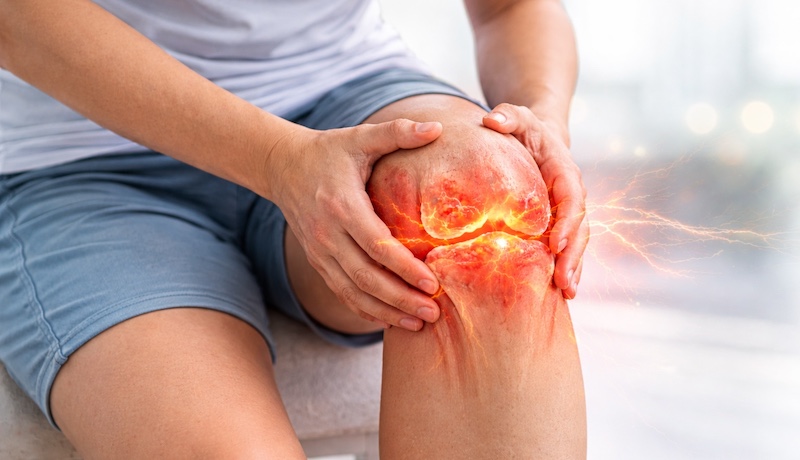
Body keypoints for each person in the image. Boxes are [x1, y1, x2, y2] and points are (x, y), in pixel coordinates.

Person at [0, 0, 589, 457]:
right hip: (74, 154)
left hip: (340, 91)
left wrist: (540, 127)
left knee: (485, 197)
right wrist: (278, 161)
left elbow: (507, 8)